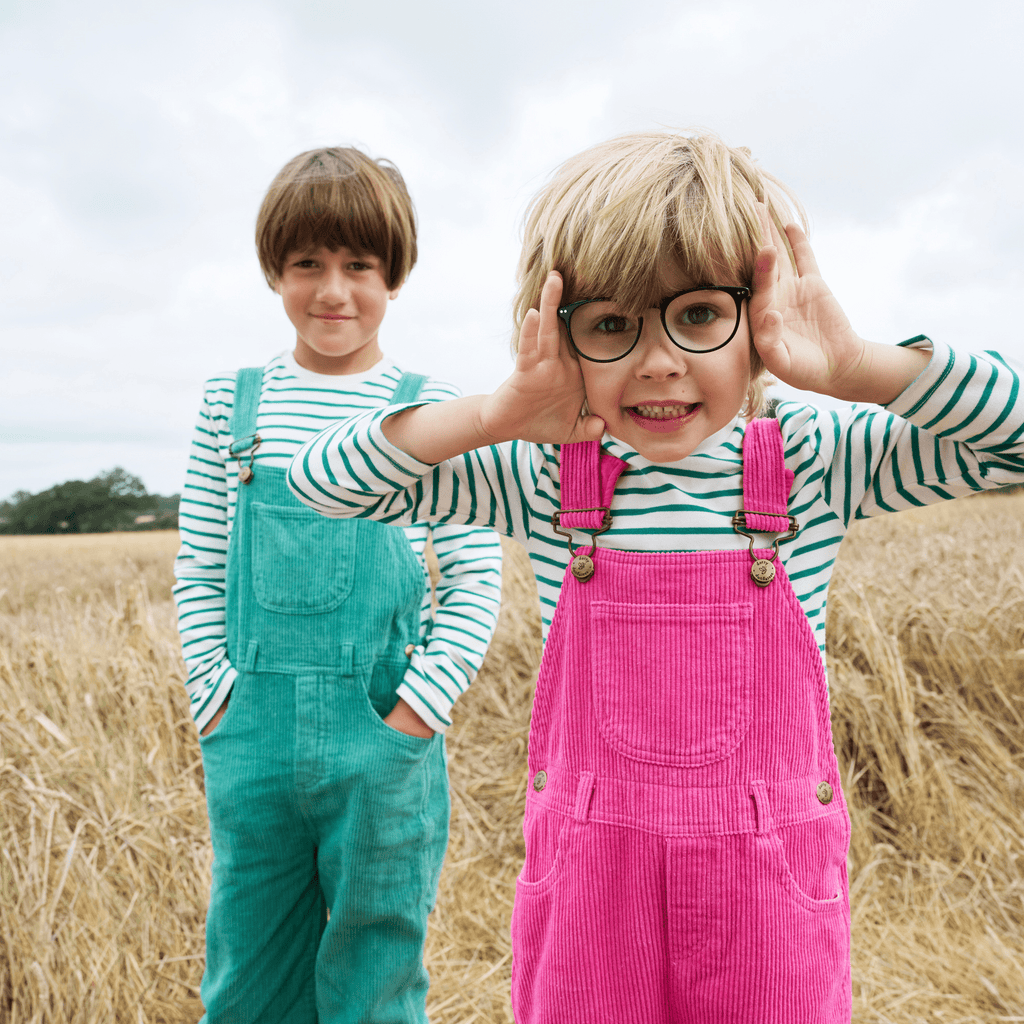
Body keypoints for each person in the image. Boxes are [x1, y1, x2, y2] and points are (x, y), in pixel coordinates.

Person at [284, 131, 1024, 1023]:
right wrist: (494, 413)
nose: (659, 361)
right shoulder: (544, 475)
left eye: (700, 315)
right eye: (610, 326)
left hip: (767, 907)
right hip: (593, 902)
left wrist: (863, 366)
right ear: (561, 342)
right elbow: (322, 485)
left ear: (760, 316)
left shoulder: (814, 460)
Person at [172, 146, 503, 1024]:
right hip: (252, 739)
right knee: (248, 976)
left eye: (359, 265)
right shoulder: (229, 405)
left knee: (376, 972)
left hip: (383, 735)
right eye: (307, 264)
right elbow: (201, 564)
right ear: (274, 271)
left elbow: (472, 577)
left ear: (394, 274)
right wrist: (214, 697)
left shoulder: (430, 407)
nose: (333, 291)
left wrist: (415, 714)